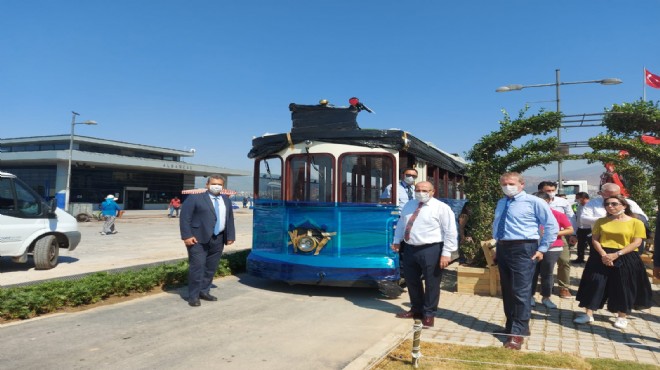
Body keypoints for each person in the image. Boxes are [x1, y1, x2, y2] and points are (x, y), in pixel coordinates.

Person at [493, 172, 558, 350]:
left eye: (511, 183)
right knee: (507, 290)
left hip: (524, 248)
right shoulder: (502, 202)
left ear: (522, 184)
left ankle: (518, 333)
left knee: (520, 291)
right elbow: (499, 225)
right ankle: (512, 326)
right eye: (504, 183)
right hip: (504, 247)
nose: (507, 186)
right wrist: (497, 247)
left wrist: (542, 248)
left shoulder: (534, 201)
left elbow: (551, 225)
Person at [573, 195, 653, 328]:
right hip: (601, 255)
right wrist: (604, 255)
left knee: (623, 286)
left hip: (625, 256)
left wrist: (617, 254)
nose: (610, 206)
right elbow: (595, 239)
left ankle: (622, 316)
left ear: (624, 206)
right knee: (595, 283)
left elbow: (637, 242)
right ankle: (588, 314)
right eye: (607, 204)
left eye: (614, 204)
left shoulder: (636, 222)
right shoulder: (601, 221)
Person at [391, 181, 458, 329]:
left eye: (425, 190)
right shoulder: (409, 205)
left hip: (431, 249)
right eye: (418, 190)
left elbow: (450, 231)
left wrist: (447, 253)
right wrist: (397, 240)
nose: (421, 192)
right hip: (410, 248)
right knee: (411, 281)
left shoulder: (441, 208)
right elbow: (402, 224)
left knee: (431, 283)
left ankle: (429, 314)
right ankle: (416, 310)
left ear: (433, 192)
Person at [179, 175, 236, 307]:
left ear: (223, 187)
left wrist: (230, 236)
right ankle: (193, 296)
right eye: (214, 183)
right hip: (197, 239)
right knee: (197, 267)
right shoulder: (195, 198)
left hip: (219, 238)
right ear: (207, 184)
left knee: (211, 268)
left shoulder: (225, 200)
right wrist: (186, 236)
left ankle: (204, 291)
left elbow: (230, 219)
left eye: (220, 185)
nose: (217, 186)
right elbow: (185, 218)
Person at [531, 192, 573, 309]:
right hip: (533, 247)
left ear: (549, 201)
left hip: (553, 247)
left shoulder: (557, 214)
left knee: (547, 273)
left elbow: (569, 229)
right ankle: (530, 296)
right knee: (532, 272)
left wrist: (554, 233)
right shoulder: (530, 215)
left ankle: (546, 297)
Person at [580, 183, 648, 254]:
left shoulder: (629, 203)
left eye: (616, 195)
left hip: (626, 243)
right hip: (602, 242)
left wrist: (624, 219)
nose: (612, 199)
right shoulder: (593, 203)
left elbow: (643, 218)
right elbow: (583, 219)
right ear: (601, 193)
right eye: (609, 195)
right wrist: (607, 220)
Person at [538, 181, 574, 299]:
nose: (551, 193)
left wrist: (573, 234)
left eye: (553, 190)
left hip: (559, 236)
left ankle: (564, 287)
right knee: (544, 266)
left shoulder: (562, 203)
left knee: (564, 261)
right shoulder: (535, 202)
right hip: (538, 238)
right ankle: (547, 287)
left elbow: (570, 218)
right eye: (548, 191)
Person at [570, 192, 592, 264]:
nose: (576, 200)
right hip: (580, 228)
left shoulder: (591, 206)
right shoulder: (579, 206)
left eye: (577, 198)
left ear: (583, 198)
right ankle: (580, 258)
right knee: (580, 245)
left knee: (592, 245)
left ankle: (592, 259)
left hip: (590, 228)